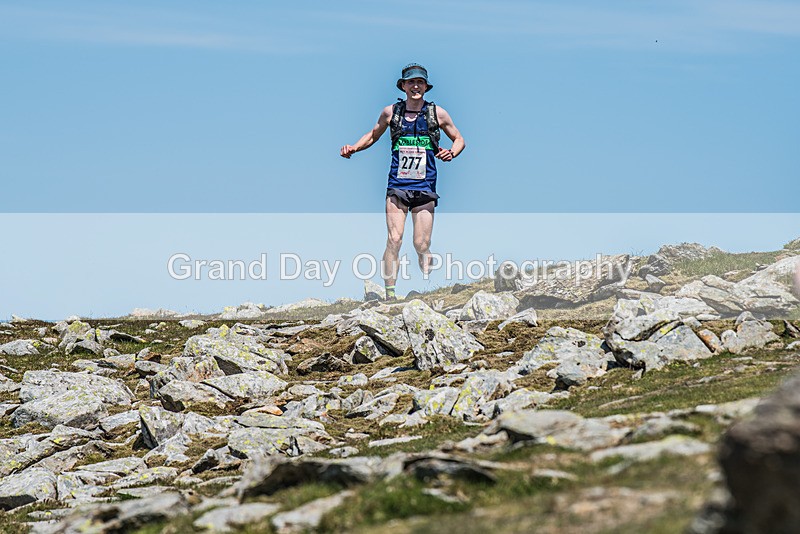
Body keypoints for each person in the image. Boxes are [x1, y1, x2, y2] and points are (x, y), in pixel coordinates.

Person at [340, 63, 465, 300]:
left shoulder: (437, 114)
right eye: (410, 82)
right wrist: (354, 148)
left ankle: (423, 252)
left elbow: (459, 139)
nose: (415, 86)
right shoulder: (391, 113)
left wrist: (452, 152)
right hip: (397, 185)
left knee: (420, 243)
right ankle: (389, 295)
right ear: (403, 86)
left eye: (420, 82)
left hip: (425, 186)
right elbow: (373, 135)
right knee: (394, 239)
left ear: (426, 87)